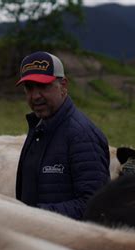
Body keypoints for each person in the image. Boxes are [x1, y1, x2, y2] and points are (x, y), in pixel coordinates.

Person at [15, 51, 110, 220]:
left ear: (63, 85)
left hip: (64, 242)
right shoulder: (39, 127)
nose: (35, 96)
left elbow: (95, 205)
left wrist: (33, 215)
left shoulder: (82, 136)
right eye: (29, 88)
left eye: (43, 86)